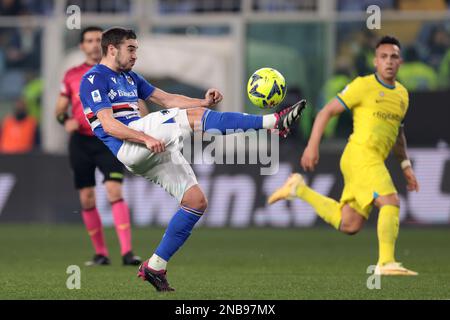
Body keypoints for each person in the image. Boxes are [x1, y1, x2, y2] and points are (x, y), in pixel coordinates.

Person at [79, 27, 306, 291]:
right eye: (131, 49)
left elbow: (167, 99)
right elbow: (108, 125)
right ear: (112, 49)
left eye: (136, 50)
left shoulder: (131, 78)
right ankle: (274, 122)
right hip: (132, 143)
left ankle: (155, 266)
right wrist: (145, 139)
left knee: (195, 201)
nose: (135, 55)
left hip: (149, 145)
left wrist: (203, 101)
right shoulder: (94, 79)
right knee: (195, 119)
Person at [268, 36, 419, 276]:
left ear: (400, 61)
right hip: (360, 154)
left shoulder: (402, 95)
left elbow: (398, 133)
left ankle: (298, 189)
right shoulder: (363, 85)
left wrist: (405, 165)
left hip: (372, 160)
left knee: (350, 224)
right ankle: (386, 262)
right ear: (375, 62)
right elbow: (326, 112)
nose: (389, 62)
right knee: (390, 201)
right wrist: (312, 145)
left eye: (393, 57)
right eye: (383, 57)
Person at [55, 26, 141, 267]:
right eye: (89, 40)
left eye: (98, 40)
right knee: (87, 198)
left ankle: (127, 252)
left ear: (107, 46)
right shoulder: (72, 75)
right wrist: (66, 120)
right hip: (82, 141)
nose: (94, 44)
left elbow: (136, 104)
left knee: (114, 190)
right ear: (82, 46)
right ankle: (101, 253)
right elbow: (59, 110)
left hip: (109, 139)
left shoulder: (119, 74)